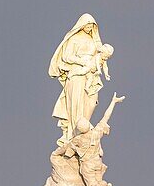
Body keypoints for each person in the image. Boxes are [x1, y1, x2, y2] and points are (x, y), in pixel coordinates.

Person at [49, 13, 114, 145]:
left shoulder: (93, 40)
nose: (90, 28)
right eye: (88, 25)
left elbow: (100, 57)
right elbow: (66, 57)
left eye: (92, 26)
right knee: (76, 104)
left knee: (92, 101)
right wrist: (82, 61)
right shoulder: (74, 39)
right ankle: (73, 134)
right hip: (76, 74)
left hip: (91, 75)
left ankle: (83, 129)